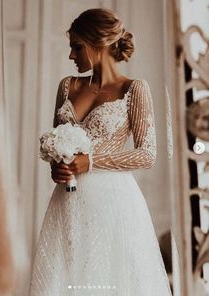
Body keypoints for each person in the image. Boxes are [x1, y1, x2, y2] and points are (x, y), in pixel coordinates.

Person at [29, 8, 172, 296]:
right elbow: (57, 143)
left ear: (99, 42)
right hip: (67, 202)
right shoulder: (68, 86)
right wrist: (57, 168)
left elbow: (147, 153)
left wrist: (91, 161)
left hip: (114, 203)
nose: (71, 56)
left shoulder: (134, 89)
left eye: (77, 46)